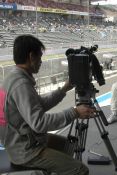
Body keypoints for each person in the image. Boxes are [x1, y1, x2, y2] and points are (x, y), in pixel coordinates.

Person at [0, 35, 95, 175]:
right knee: (81, 170)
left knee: (68, 145)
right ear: (31, 56)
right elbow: (39, 123)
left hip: (25, 141)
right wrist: (75, 112)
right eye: (40, 57)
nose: (41, 62)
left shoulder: (14, 76)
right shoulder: (21, 84)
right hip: (25, 151)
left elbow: (39, 104)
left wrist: (63, 89)